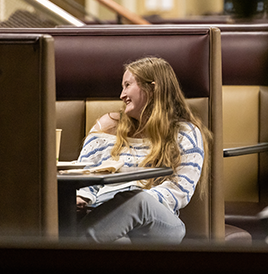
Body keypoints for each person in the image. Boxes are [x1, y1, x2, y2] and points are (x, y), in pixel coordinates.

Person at [75, 56, 211, 244]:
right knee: (119, 243)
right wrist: (82, 196)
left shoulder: (185, 132)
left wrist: (122, 204)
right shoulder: (107, 125)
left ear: (153, 89)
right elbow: (86, 173)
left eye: (127, 85)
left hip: (159, 223)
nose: (122, 95)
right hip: (103, 215)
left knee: (137, 200)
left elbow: (180, 190)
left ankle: (70, 249)